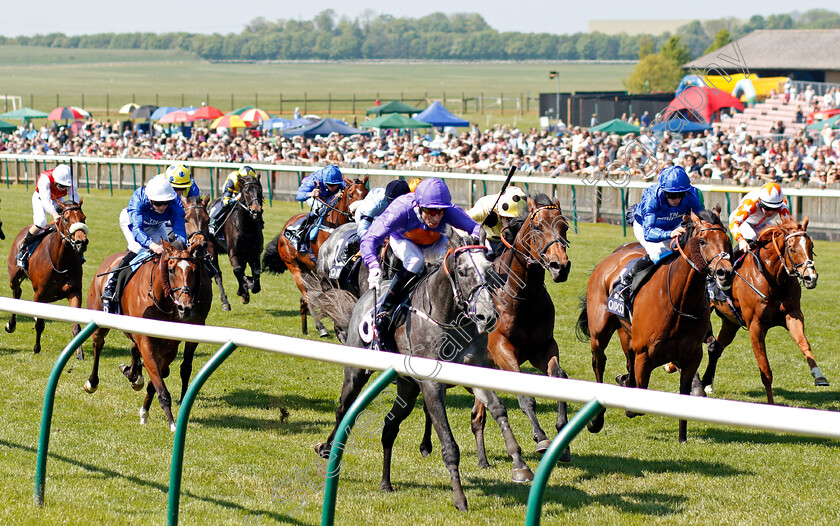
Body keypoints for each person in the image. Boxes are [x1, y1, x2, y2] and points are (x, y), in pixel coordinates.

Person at [361, 178, 482, 334]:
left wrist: (480, 242)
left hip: (435, 243)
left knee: (454, 259)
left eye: (441, 212)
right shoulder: (400, 209)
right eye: (431, 211)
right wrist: (373, 265)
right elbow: (369, 238)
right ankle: (385, 308)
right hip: (403, 240)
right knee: (415, 261)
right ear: (418, 206)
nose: (436, 218)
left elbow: (475, 228)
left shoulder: (448, 210)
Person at [617, 165, 705, 304]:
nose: (676, 199)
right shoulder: (652, 197)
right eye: (671, 195)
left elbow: (702, 219)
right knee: (658, 253)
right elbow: (649, 233)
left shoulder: (692, 194)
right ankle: (626, 280)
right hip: (645, 226)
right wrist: (670, 233)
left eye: (680, 195)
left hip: (673, 225)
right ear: (664, 191)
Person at [102, 176, 187, 314]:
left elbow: (179, 228)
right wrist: (152, 245)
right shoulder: (138, 199)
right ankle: (111, 284)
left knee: (170, 251)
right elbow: (137, 229)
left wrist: (181, 245)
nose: (162, 207)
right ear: (149, 199)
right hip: (132, 222)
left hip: (156, 225)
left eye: (165, 203)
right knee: (138, 249)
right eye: (158, 203)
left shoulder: (175, 202)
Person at [16, 164, 78, 268]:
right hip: (40, 199)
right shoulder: (45, 179)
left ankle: (77, 252)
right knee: (41, 222)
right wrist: (54, 214)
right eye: (61, 186)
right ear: (55, 180)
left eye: (65, 187)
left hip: (58, 200)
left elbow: (74, 198)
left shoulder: (71, 181)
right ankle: (23, 250)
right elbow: (46, 201)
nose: (63, 189)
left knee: (70, 221)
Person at [729, 182, 791, 258]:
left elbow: (790, 225)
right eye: (767, 208)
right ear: (760, 203)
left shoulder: (782, 205)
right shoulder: (751, 203)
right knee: (752, 237)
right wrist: (740, 240)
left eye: (775, 209)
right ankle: (732, 259)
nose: (771, 212)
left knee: (777, 237)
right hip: (743, 222)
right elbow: (734, 223)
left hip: (761, 224)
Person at [294, 165, 346, 250]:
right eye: (330, 185)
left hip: (327, 195)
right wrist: (310, 194)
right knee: (321, 208)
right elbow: (299, 195)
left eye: (336, 185)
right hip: (312, 195)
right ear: (324, 181)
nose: (334, 187)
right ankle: (302, 229)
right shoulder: (314, 178)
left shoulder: (339, 179)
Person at [467, 186, 526, 259]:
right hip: (487, 239)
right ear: (499, 213)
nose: (511, 224)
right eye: (508, 219)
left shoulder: (526, 212)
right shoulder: (485, 208)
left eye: (516, 220)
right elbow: (461, 220)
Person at [209, 165, 256, 235]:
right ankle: (213, 221)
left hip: (242, 191)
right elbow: (225, 202)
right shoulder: (233, 180)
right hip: (232, 191)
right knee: (226, 205)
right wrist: (235, 199)